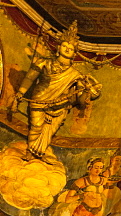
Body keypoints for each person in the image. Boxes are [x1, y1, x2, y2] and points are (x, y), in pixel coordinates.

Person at [14, 22, 102, 162]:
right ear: (59, 47)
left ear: (74, 53)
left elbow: (79, 101)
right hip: (40, 98)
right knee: (36, 126)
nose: (67, 49)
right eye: (65, 46)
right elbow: (29, 78)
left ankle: (39, 154)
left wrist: (87, 92)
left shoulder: (75, 74)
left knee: (49, 131)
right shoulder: (43, 62)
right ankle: (30, 153)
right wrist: (20, 93)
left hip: (60, 106)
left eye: (71, 48)